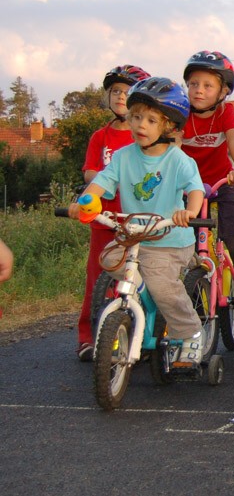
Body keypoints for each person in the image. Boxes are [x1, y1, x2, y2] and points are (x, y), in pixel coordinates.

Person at [68, 77, 206, 364]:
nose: (141, 125)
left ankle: (190, 332)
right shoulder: (122, 157)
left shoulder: (178, 160)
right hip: (134, 237)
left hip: (169, 240)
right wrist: (84, 203)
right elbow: (101, 183)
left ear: (168, 126)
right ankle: (139, 295)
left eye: (151, 120)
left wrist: (189, 213)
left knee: (164, 287)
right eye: (137, 117)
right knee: (108, 258)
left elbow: (195, 190)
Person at [76, 64, 151, 361]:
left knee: (141, 278)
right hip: (105, 218)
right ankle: (89, 337)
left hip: (139, 220)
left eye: (128, 92)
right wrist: (108, 179)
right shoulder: (100, 136)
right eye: (116, 91)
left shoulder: (144, 136)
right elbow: (90, 173)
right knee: (97, 278)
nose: (121, 96)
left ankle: (139, 336)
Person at [181, 51, 234, 315]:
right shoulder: (181, 114)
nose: (198, 90)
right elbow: (174, 150)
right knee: (182, 238)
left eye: (207, 85)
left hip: (223, 181)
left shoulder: (226, 112)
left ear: (223, 91)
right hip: (188, 186)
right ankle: (185, 291)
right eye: (193, 84)